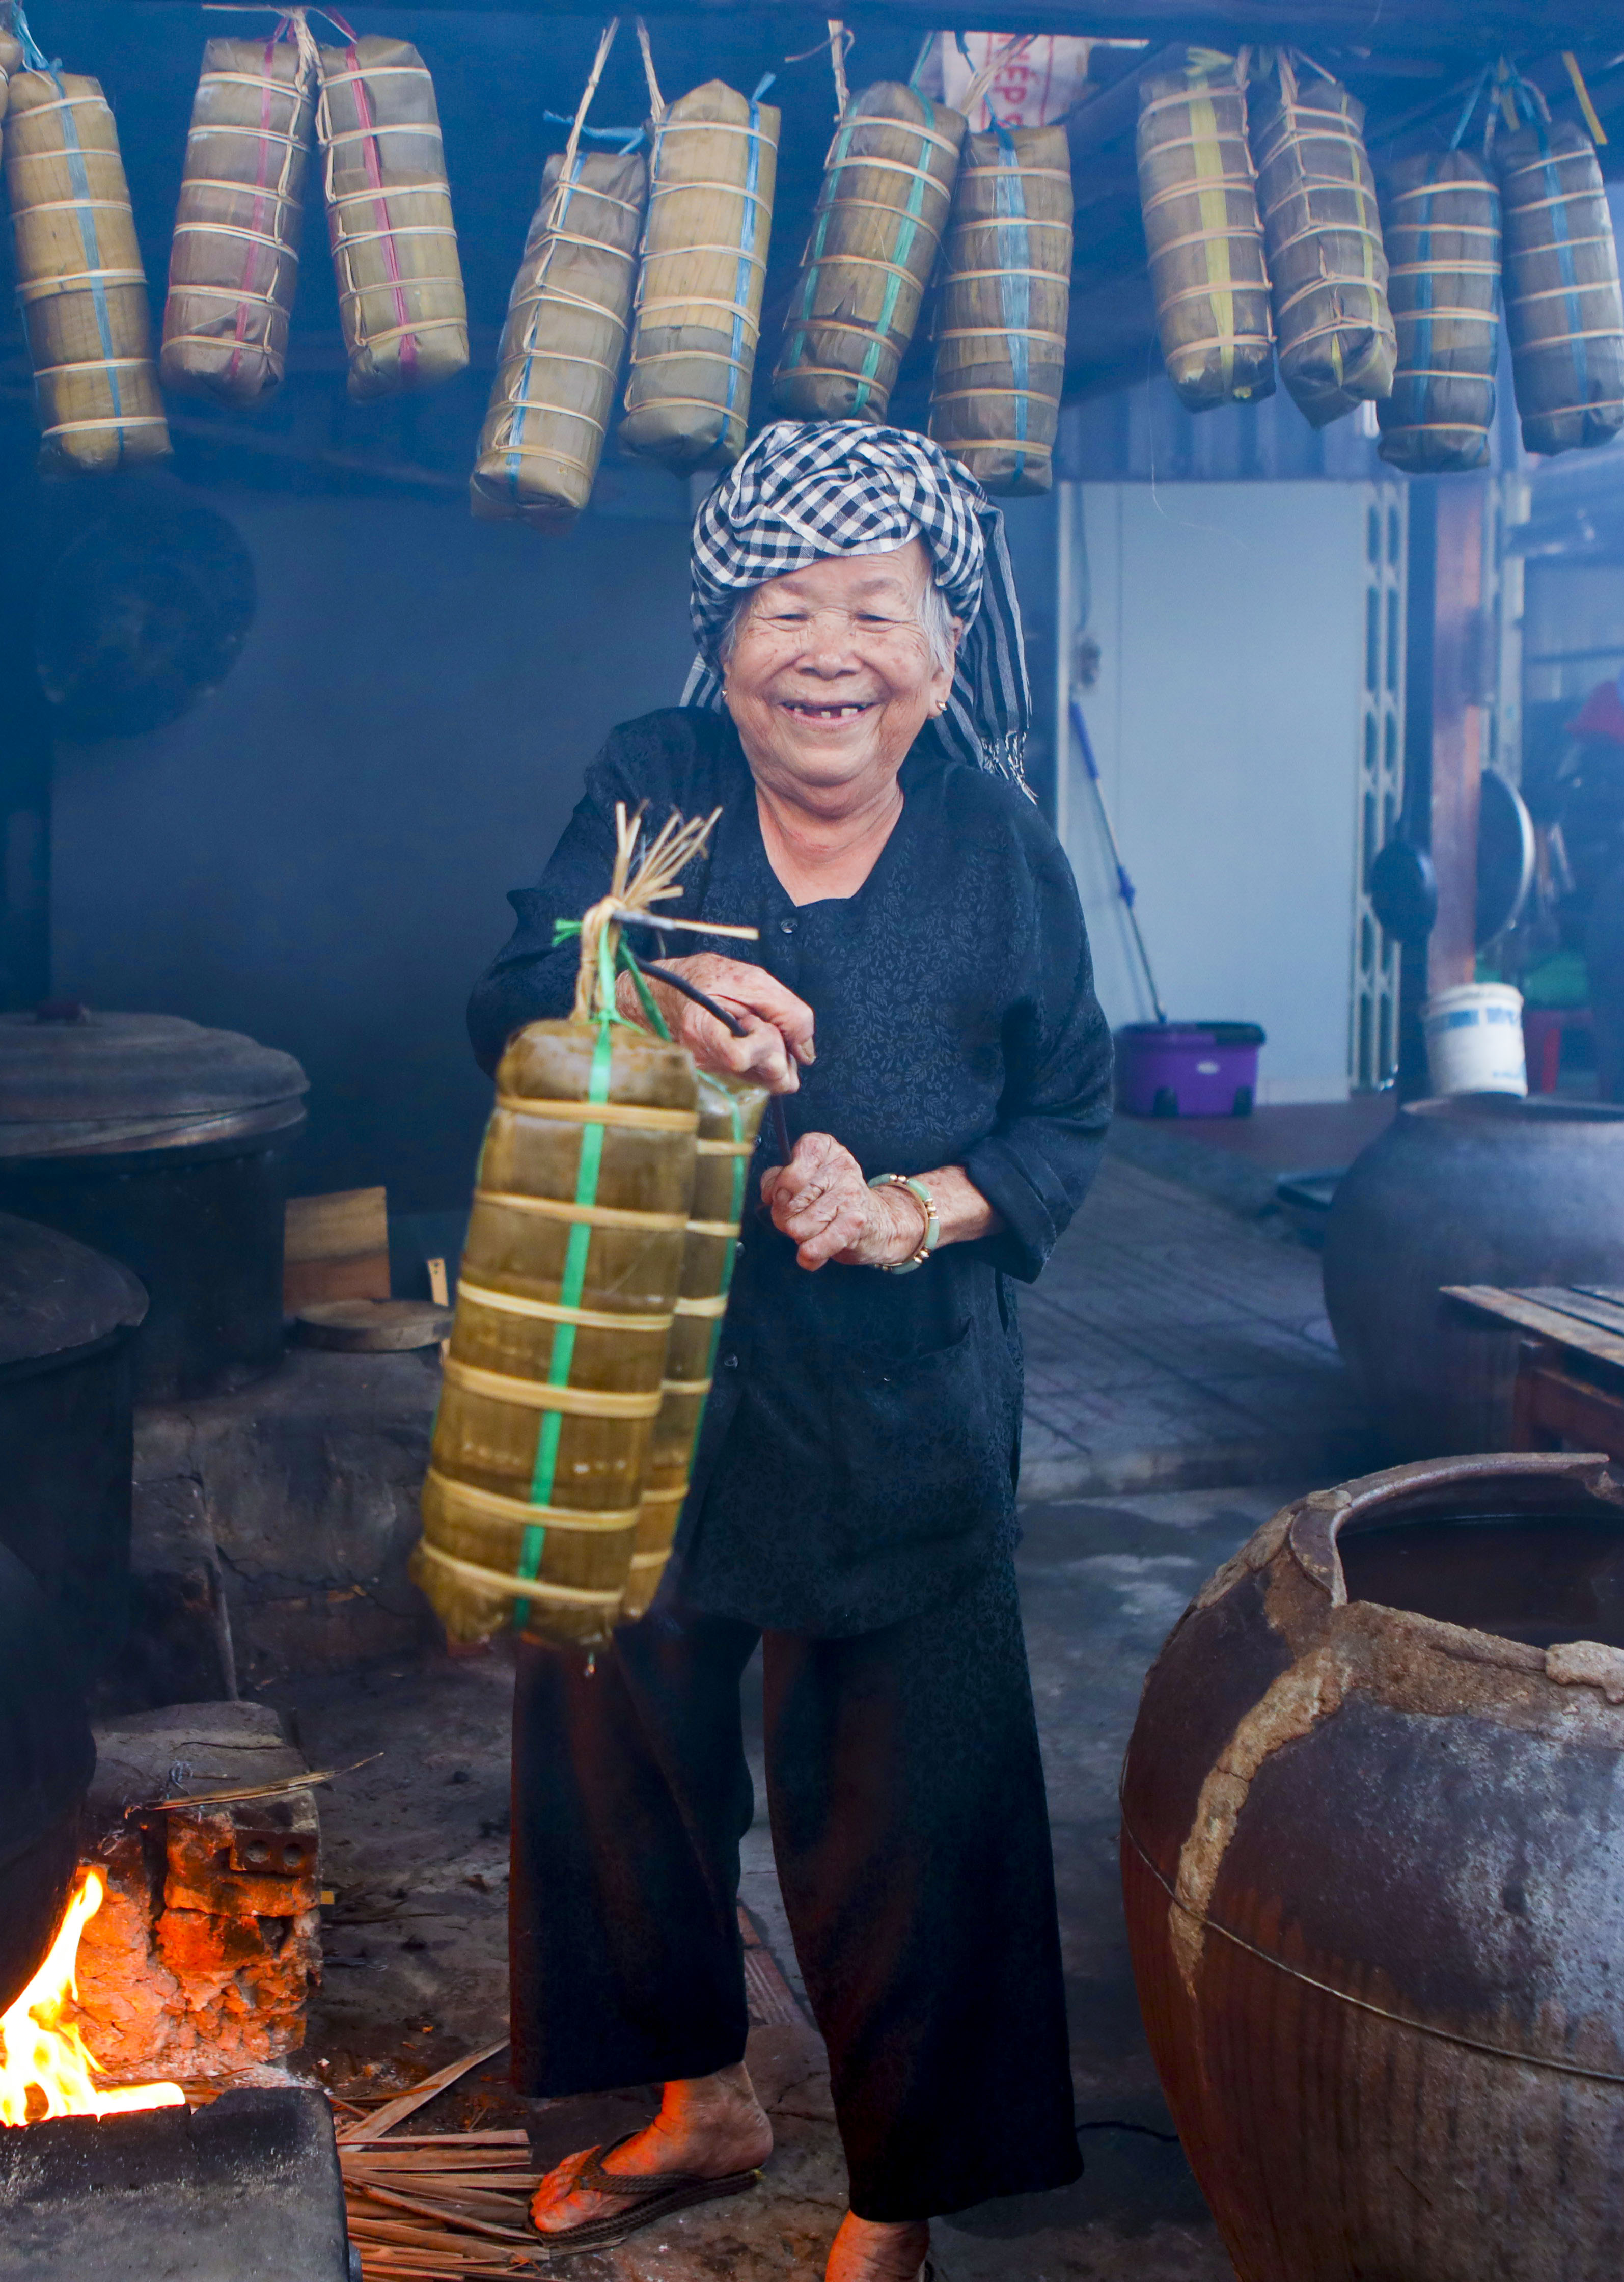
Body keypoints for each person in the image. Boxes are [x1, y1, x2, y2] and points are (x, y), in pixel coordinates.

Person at [466, 422, 1112, 2282]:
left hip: (900, 1398)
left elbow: (1069, 1117)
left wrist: (911, 1209)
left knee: (911, 1810)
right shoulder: (647, 787)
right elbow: (510, 989)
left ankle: (896, 2197)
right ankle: (701, 2096)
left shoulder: (1000, 852)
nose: (828, 647)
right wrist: (644, 988)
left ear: (938, 648)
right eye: (784, 605)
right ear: (723, 634)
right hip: (651, 1374)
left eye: (874, 610)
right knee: (622, 1756)